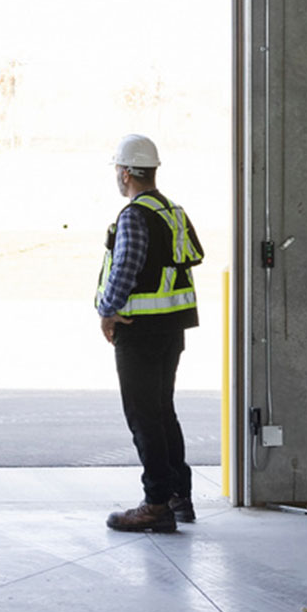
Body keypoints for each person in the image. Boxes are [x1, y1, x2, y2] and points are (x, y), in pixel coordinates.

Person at [95, 134, 203, 534]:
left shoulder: (135, 215)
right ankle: (178, 495)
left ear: (125, 173)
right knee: (162, 411)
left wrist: (108, 311)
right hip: (172, 327)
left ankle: (156, 504)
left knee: (144, 417)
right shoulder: (172, 210)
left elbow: (125, 267)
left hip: (139, 330)